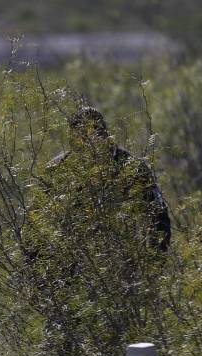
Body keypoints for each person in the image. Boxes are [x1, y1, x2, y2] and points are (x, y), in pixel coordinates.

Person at [47, 105, 171, 250]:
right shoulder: (58, 169)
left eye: (89, 137)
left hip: (126, 252)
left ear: (104, 136)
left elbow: (159, 217)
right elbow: (37, 222)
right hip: (72, 253)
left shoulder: (133, 168)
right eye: (77, 139)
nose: (83, 145)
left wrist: (154, 258)